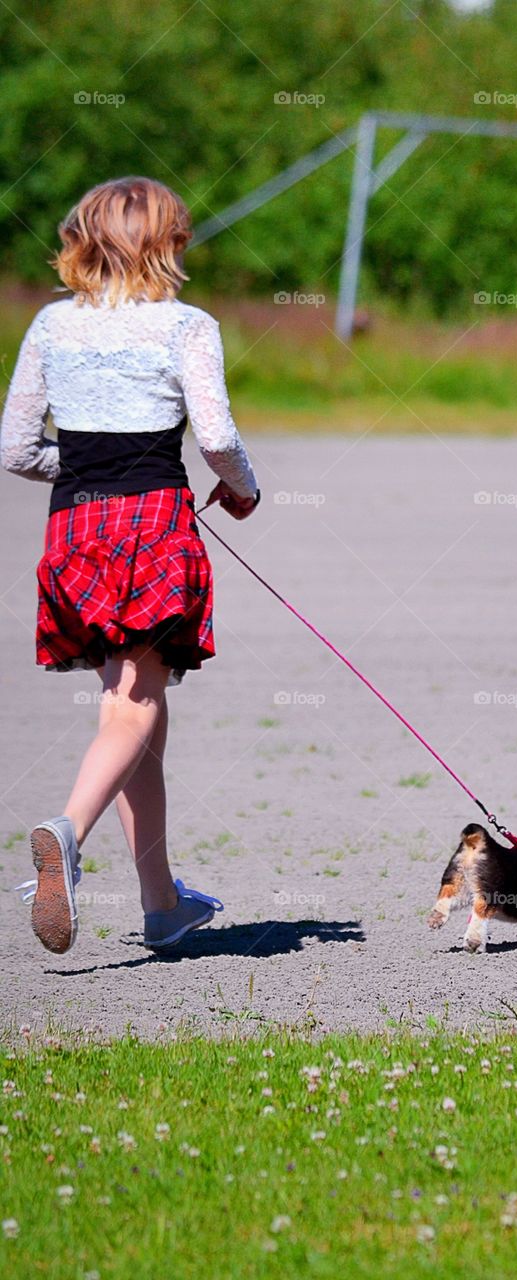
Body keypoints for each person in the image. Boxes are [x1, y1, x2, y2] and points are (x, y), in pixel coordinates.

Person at [0, 175, 260, 955]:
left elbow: (14, 448)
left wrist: (82, 472)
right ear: (168, 244)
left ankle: (161, 903)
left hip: (75, 527)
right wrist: (244, 489)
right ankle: (67, 833)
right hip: (151, 523)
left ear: (84, 240)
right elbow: (214, 436)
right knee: (132, 708)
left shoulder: (50, 325)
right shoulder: (188, 327)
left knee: (133, 707)